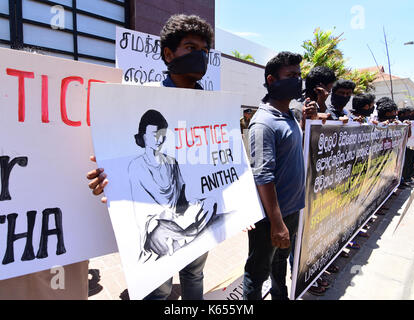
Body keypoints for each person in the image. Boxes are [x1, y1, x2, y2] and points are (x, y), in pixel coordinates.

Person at [87, 14, 215, 300]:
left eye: (205, 51)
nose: (200, 56)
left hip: (195, 216)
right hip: (156, 229)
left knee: (194, 276)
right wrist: (106, 174)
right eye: (191, 48)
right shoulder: (139, 101)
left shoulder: (213, 106)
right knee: (159, 290)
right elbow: (115, 158)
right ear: (169, 54)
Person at [243, 51, 309, 300]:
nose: (297, 80)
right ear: (272, 80)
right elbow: (263, 176)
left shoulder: (290, 115)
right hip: (271, 219)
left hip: (291, 212)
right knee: (257, 273)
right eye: (291, 75)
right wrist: (277, 223)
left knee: (279, 265)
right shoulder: (263, 123)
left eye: (298, 75)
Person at [129, 109, 216, 262]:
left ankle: (182, 237)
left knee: (210, 202)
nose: (158, 139)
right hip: (159, 223)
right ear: (143, 135)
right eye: (154, 134)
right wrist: (164, 221)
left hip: (179, 218)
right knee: (162, 236)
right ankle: (181, 238)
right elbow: (144, 206)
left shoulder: (171, 161)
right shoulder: (136, 166)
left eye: (162, 134)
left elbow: (182, 192)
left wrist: (191, 205)